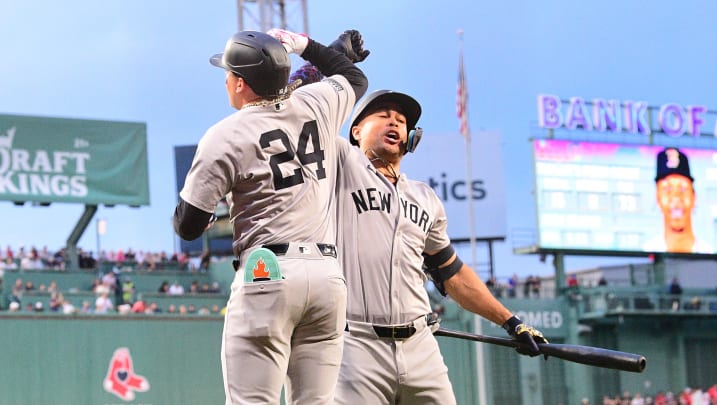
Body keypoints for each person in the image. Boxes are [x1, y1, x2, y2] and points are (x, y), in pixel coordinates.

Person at [172, 28, 368, 404]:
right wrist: (308, 46)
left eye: (228, 73)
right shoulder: (316, 104)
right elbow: (354, 78)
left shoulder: (224, 135)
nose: (226, 79)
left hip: (268, 271)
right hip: (327, 277)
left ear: (241, 83)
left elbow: (188, 225)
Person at [333, 89, 548, 404]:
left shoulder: (425, 198)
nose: (394, 122)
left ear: (411, 138)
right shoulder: (338, 168)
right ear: (355, 131)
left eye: (401, 120)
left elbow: (453, 275)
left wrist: (511, 322)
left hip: (420, 347)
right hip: (355, 346)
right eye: (383, 115)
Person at [643, 147, 713, 253]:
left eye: (683, 188)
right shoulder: (646, 253)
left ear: (694, 197)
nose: (676, 197)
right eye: (667, 189)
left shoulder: (709, 254)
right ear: (657, 198)